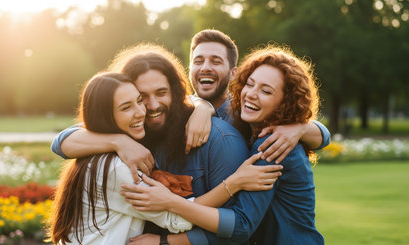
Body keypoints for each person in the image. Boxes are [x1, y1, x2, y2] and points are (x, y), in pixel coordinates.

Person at [52, 44, 284, 244]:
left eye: (161, 93)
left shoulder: (220, 140)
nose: (149, 106)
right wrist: (119, 141)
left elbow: (237, 228)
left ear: (175, 92)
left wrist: (203, 106)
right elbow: (61, 143)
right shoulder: (121, 157)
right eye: (140, 98)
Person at [121, 45, 325, 244]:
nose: (251, 93)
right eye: (250, 83)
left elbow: (241, 225)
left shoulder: (273, 145)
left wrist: (168, 215)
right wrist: (203, 106)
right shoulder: (245, 126)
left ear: (285, 102)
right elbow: (185, 101)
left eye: (266, 91)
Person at [46, 72, 193, 245]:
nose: (141, 112)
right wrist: (230, 185)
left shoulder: (96, 153)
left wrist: (202, 106)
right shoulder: (116, 168)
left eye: (139, 101)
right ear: (105, 117)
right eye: (126, 107)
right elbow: (178, 220)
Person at [189, 29, 330, 163]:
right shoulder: (178, 111)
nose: (205, 67)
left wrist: (300, 128)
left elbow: (324, 137)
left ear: (233, 73)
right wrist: (201, 105)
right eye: (198, 61)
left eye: (216, 61)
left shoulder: (248, 112)